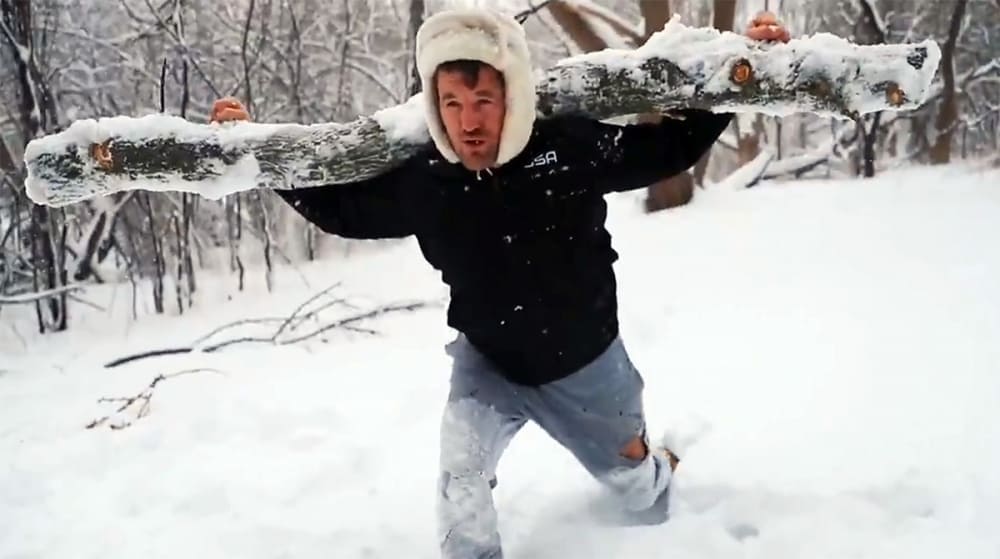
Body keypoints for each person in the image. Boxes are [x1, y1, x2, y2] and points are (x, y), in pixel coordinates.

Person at [212, 8, 790, 558]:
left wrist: (748, 62)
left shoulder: (567, 149)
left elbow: (671, 148)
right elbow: (344, 213)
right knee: (460, 471)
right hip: (488, 364)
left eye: (484, 100)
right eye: (453, 103)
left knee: (640, 494)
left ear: (511, 96)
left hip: (587, 372)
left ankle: (656, 463)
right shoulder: (428, 180)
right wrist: (256, 153)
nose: (469, 121)